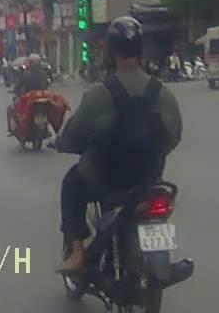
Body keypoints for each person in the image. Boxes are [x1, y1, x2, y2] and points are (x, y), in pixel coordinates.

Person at [54, 16, 183, 273]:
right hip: (148, 178)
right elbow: (174, 135)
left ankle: (77, 253)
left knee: (71, 184)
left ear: (111, 51)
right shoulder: (162, 93)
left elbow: (75, 135)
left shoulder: (99, 95)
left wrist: (61, 143)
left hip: (105, 180)